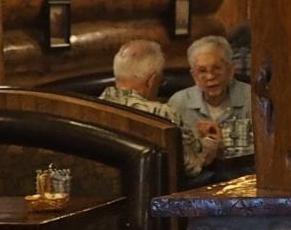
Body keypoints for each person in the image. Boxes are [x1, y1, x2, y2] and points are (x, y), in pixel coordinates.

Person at [100, 39, 218, 175]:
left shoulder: (91, 108)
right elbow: (192, 165)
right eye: (161, 81)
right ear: (152, 81)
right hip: (154, 193)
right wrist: (211, 142)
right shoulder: (162, 114)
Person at [167, 35, 253, 159]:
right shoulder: (179, 102)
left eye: (216, 68)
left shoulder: (251, 98)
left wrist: (224, 144)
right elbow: (174, 152)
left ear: (230, 71)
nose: (210, 76)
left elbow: (265, 148)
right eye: (202, 71)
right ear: (194, 76)